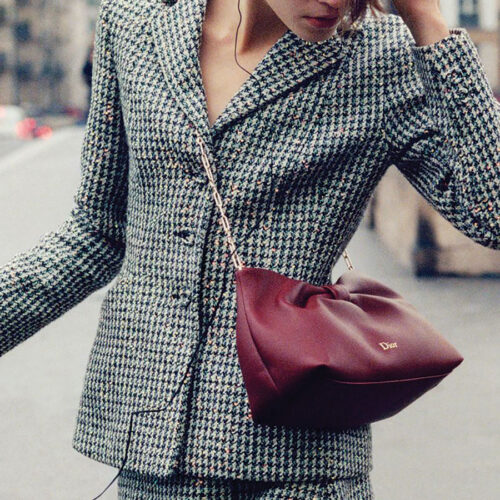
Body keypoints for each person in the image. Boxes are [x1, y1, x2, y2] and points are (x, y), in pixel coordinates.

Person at [1, 0, 498, 498]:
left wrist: (428, 22)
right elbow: (97, 233)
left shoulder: (382, 56)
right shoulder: (135, 23)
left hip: (300, 462)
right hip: (152, 450)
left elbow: (491, 214)